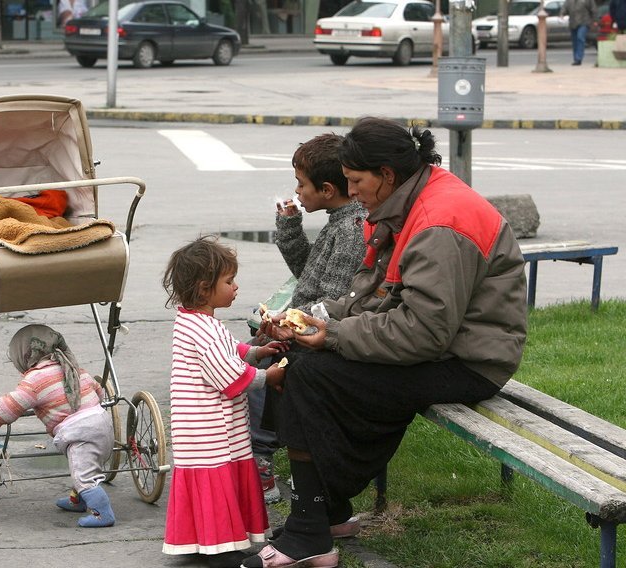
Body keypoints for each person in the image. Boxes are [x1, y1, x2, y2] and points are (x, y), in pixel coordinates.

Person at [245, 117, 528, 568]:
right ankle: (323, 515)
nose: (351, 191)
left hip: (470, 363)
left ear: (387, 175)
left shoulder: (438, 221)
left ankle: (310, 531)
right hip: (445, 347)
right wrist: (311, 321)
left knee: (310, 376)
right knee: (301, 361)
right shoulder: (411, 200)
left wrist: (333, 335)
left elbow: (422, 333)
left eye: (356, 181)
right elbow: (375, 294)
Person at [249, 133, 367, 506]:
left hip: (324, 335)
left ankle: (261, 460)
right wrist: (289, 227)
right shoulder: (339, 221)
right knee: (253, 354)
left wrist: (291, 319)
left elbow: (330, 301)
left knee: (267, 364)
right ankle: (254, 452)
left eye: (302, 184)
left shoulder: (350, 230)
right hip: (310, 326)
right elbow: (309, 273)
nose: (297, 191)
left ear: (328, 189)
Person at [161, 236, 289, 568]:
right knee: (216, 479)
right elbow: (232, 379)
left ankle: (200, 538)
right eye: (229, 281)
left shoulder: (195, 321)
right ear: (205, 289)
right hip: (209, 425)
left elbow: (230, 349)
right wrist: (268, 375)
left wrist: (257, 351)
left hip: (199, 424)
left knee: (206, 480)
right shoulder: (204, 330)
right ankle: (222, 547)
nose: (235, 287)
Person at [0, 324, 115, 528]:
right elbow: (98, 391)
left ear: (25, 356)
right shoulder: (74, 368)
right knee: (86, 466)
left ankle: (103, 514)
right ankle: (78, 500)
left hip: (80, 433)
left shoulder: (35, 381)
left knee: (85, 476)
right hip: (102, 423)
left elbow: (11, 405)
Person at [561, 0, 597, 65]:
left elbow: (593, 9)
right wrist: (562, 14)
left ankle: (578, 58)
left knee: (580, 38)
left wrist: (594, 20)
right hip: (573, 23)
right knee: (575, 41)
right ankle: (576, 58)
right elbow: (564, 7)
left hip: (584, 22)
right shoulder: (569, 1)